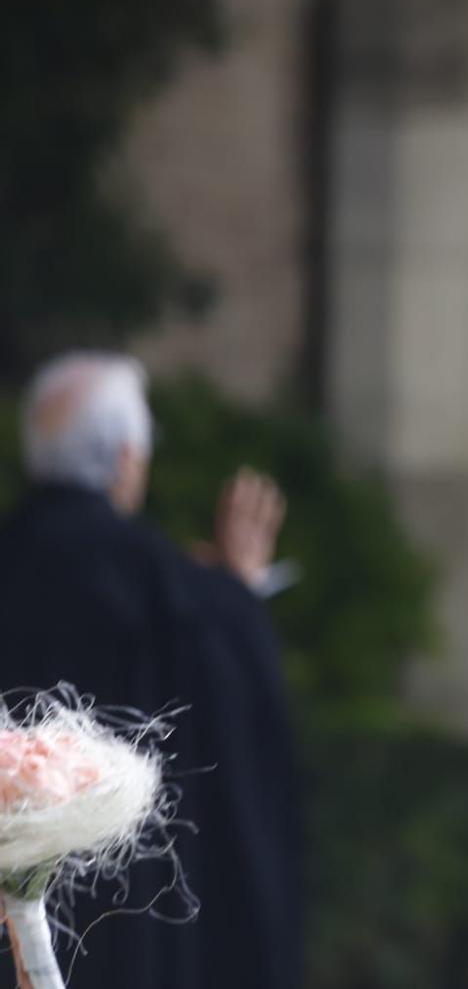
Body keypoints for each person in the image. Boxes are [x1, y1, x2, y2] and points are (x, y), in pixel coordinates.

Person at [0, 353, 301, 989]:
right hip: (139, 918)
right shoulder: (171, 589)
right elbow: (240, 736)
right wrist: (239, 593)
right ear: (127, 458)